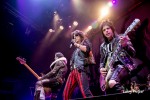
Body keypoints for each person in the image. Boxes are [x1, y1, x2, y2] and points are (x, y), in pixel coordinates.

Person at [99, 19, 136, 94]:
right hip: (110, 70)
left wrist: (125, 46)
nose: (106, 31)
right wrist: (101, 68)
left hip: (124, 66)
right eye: (104, 30)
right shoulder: (102, 46)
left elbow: (133, 53)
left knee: (112, 82)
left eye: (108, 28)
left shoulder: (121, 38)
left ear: (112, 29)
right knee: (107, 88)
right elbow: (102, 60)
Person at [63, 30, 95, 100]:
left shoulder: (86, 42)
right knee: (66, 93)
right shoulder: (75, 50)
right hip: (73, 71)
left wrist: (76, 44)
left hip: (81, 69)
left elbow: (87, 50)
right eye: (74, 37)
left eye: (76, 36)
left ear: (81, 36)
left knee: (85, 93)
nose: (75, 38)